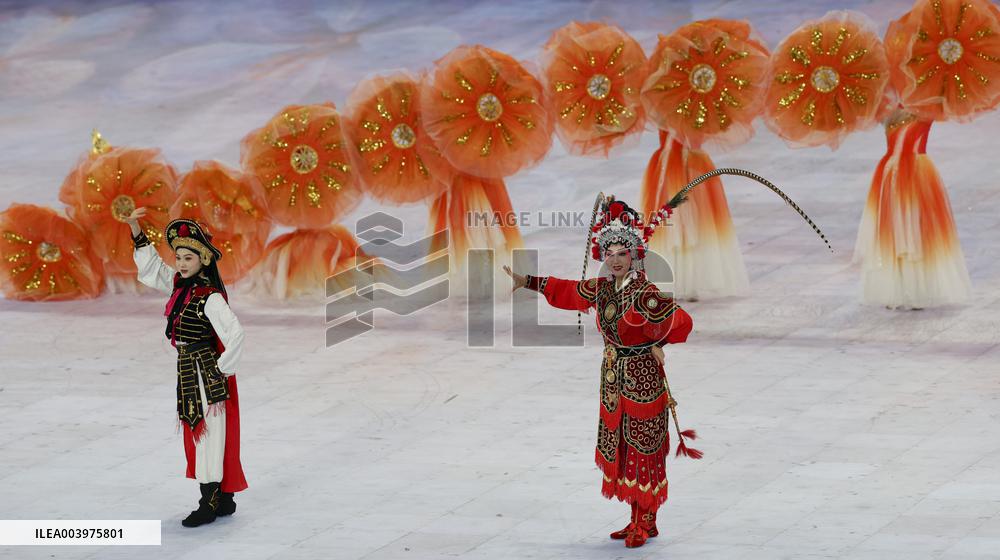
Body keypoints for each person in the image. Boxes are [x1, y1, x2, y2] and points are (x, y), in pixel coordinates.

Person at [503, 197, 693, 548]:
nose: (616, 259)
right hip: (612, 381)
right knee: (621, 445)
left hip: (642, 384)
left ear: (635, 255)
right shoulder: (603, 288)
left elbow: (679, 320)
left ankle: (645, 519)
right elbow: (569, 291)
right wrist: (528, 281)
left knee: (643, 448)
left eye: (623, 253)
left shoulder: (646, 293)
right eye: (611, 253)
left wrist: (659, 343)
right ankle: (636, 517)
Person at [125, 207, 248, 527]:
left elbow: (235, 334)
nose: (180, 263)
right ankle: (223, 497)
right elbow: (154, 270)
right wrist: (136, 228)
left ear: (203, 260)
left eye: (187, 258)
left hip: (205, 373)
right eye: (178, 257)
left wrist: (221, 369)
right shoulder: (182, 287)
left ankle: (210, 502)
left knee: (208, 434)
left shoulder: (209, 298)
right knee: (201, 433)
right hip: (187, 370)